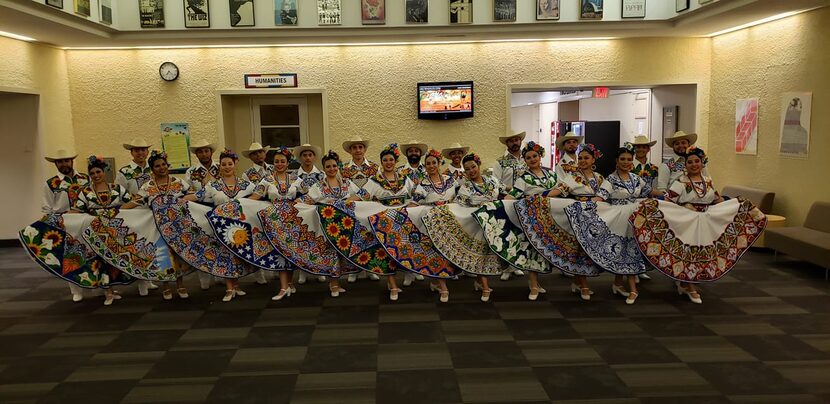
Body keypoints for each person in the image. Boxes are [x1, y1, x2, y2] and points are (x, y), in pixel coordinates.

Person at [632, 146, 766, 305]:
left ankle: (684, 283)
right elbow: (667, 202)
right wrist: (652, 207)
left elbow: (717, 200)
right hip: (686, 224)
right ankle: (690, 287)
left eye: (697, 161)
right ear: (685, 165)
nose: (694, 164)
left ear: (702, 163)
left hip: (705, 222)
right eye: (690, 162)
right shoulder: (680, 183)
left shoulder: (708, 182)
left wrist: (737, 205)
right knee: (689, 254)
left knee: (700, 254)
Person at [567, 145, 652, 305]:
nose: (626, 162)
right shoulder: (610, 179)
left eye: (628, 159)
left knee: (630, 250)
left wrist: (672, 197)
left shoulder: (636, 178)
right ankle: (630, 288)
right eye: (622, 159)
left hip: (633, 218)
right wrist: (581, 206)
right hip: (618, 219)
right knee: (623, 250)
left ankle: (619, 284)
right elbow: (601, 197)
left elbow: (650, 191)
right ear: (616, 161)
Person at [426, 153, 509, 302]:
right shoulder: (466, 187)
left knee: (489, 253)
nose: (471, 171)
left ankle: (479, 281)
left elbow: (507, 192)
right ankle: (484, 287)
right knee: (480, 253)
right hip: (477, 225)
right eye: (467, 169)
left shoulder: (493, 181)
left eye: (473, 167)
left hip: (495, 224)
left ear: (479, 165)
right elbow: (459, 206)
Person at [126, 150, 193, 301]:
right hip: (158, 227)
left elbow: (192, 196)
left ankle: (180, 284)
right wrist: (117, 211)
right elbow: (135, 202)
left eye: (164, 164)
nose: (161, 168)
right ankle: (166, 286)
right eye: (157, 166)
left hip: (178, 227)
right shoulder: (147, 186)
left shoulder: (178, 182)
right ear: (152, 168)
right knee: (163, 255)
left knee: (178, 254)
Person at [503, 141, 566, 300]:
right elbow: (514, 195)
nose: (532, 159)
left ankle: (537, 283)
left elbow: (563, 189)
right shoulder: (523, 178)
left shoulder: (551, 174)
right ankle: (533, 285)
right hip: (533, 217)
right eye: (528, 157)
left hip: (552, 216)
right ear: (524, 160)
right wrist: (499, 203)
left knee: (545, 250)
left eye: (534, 156)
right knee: (533, 249)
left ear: (540, 156)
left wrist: (538, 196)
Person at [73, 155, 136, 305]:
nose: (96, 175)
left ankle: (112, 289)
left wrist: (119, 210)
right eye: (93, 173)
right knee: (101, 260)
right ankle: (107, 292)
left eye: (98, 172)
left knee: (113, 260)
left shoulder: (117, 189)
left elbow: (132, 202)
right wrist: (62, 217)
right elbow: (77, 209)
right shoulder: (85, 192)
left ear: (104, 172)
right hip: (96, 232)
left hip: (114, 231)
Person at [195, 149, 256, 302]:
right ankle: (229, 288)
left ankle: (236, 285)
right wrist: (179, 199)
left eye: (230, 163)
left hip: (240, 226)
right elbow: (198, 196)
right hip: (220, 225)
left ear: (235, 164)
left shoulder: (247, 185)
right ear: (220, 166)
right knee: (226, 255)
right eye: (224, 164)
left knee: (237, 256)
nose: (227, 167)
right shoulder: (213, 185)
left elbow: (257, 198)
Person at [303, 150, 366, 297]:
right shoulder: (319, 185)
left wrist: (346, 202)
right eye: (328, 166)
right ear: (324, 169)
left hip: (344, 224)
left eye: (334, 166)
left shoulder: (346, 182)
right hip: (327, 224)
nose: (332, 169)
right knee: (331, 252)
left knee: (341, 253)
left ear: (338, 166)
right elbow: (308, 198)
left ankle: (337, 282)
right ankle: (333, 284)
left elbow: (361, 194)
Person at [362, 144, 418, 299]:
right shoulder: (374, 181)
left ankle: (409, 273)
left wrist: (415, 202)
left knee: (406, 248)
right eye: (385, 160)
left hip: (404, 221)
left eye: (391, 159)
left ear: (395, 161)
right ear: (381, 162)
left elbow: (417, 194)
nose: (388, 162)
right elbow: (362, 195)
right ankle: (392, 283)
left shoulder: (405, 179)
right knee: (387, 251)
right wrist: (345, 202)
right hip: (385, 223)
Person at [248, 146, 299, 300]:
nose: (279, 164)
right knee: (280, 251)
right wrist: (237, 203)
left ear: (288, 163)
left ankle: (289, 283)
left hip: (292, 219)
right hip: (274, 219)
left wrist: (298, 201)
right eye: (276, 161)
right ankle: (283, 287)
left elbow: (311, 194)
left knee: (291, 251)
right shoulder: (267, 180)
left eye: (282, 161)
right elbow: (255, 197)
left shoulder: (296, 179)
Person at [41, 148, 90, 302]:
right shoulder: (51, 183)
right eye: (60, 161)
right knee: (71, 256)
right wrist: (52, 224)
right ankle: (76, 289)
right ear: (56, 164)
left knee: (93, 252)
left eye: (66, 160)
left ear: (71, 161)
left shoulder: (85, 178)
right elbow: (47, 207)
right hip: (65, 222)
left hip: (85, 219)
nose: (64, 164)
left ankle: (100, 284)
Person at [560, 143, 606, 300]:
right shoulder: (572, 176)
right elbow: (561, 189)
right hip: (580, 214)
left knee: (588, 249)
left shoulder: (600, 177)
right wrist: (544, 195)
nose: (582, 160)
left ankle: (576, 281)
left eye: (586, 158)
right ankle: (584, 285)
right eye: (580, 158)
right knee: (581, 248)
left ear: (593, 160)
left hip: (595, 215)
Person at [114, 138, 159, 295]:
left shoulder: (154, 169)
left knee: (151, 245)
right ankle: (140, 282)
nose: (140, 152)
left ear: (147, 152)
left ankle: (149, 279)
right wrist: (134, 200)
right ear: (131, 152)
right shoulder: (124, 172)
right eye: (137, 150)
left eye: (143, 149)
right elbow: (119, 193)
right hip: (133, 213)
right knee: (137, 246)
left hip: (151, 212)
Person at [340, 137, 381, 282]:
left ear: (364, 149)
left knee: (371, 236)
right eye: (354, 147)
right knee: (353, 236)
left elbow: (377, 187)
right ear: (350, 151)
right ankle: (353, 269)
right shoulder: (343, 169)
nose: (358, 150)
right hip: (352, 208)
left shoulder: (375, 168)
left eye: (360, 147)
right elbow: (343, 189)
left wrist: (361, 196)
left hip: (370, 207)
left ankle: (371, 268)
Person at [183, 139, 220, 290]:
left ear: (211, 152)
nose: (204, 154)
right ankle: (203, 277)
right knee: (201, 241)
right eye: (200, 151)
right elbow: (188, 191)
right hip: (198, 208)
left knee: (219, 241)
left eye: (206, 150)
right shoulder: (191, 172)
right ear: (196, 154)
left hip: (217, 207)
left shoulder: (221, 167)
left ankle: (220, 274)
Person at [492, 130, 527, 281]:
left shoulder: (528, 159)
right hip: (507, 200)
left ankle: (517, 264)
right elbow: (495, 183)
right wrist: (511, 190)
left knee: (521, 233)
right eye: (511, 141)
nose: (514, 143)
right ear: (507, 144)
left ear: (520, 141)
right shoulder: (500, 162)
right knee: (506, 233)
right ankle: (506, 267)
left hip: (525, 201)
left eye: (516, 140)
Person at [292, 143, 326, 284]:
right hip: (301, 212)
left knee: (318, 239)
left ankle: (320, 269)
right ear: (300, 158)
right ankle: (303, 271)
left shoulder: (321, 175)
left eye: (310, 155)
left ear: (314, 157)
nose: (307, 158)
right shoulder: (294, 176)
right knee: (302, 240)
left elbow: (325, 192)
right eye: (304, 155)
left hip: (317, 211)